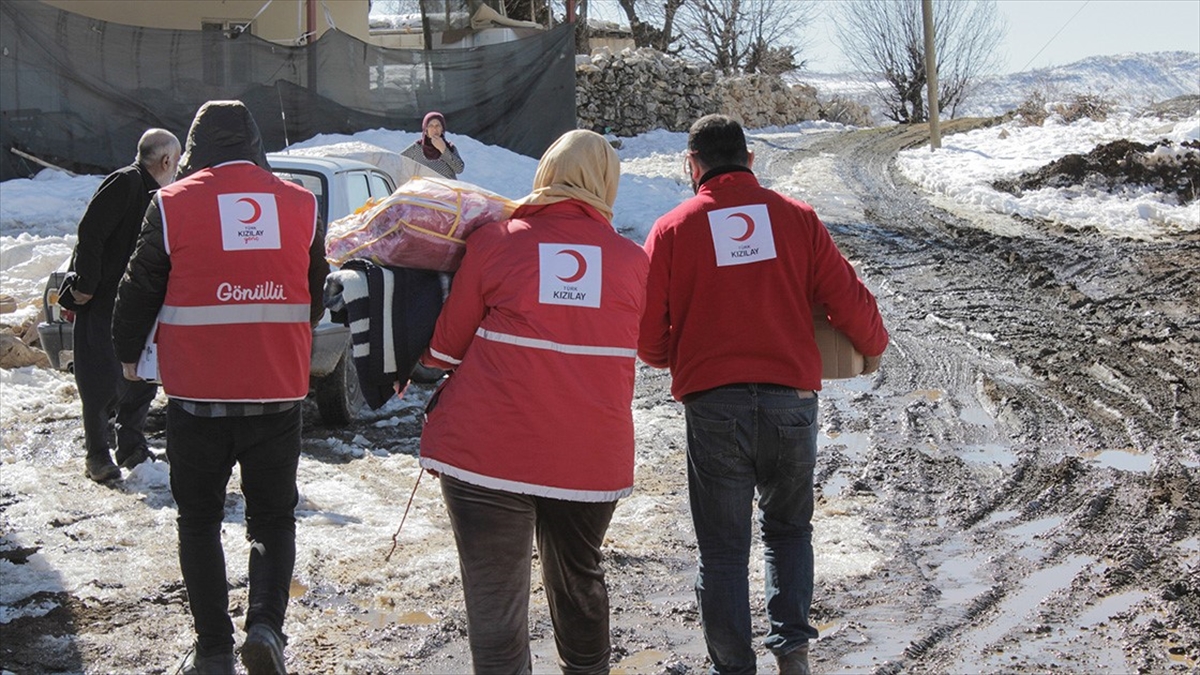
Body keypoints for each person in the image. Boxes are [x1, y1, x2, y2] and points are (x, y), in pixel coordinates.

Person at [637, 114, 889, 675]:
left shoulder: (672, 229)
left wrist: (681, 356)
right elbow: (847, 298)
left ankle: (734, 668)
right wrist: (873, 346)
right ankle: (793, 653)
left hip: (713, 405)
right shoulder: (797, 218)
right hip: (791, 401)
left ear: (692, 165)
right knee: (789, 532)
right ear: (750, 160)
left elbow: (647, 332)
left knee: (723, 551)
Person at [418, 129, 648, 674]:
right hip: (588, 455)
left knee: (494, 597)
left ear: (545, 174)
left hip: (486, 450)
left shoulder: (497, 241)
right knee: (578, 576)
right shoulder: (633, 261)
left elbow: (444, 349)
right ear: (606, 184)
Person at [112, 100, 328, 675]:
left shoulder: (172, 204)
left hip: (197, 395)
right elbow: (315, 291)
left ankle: (212, 649)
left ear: (195, 147)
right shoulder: (301, 204)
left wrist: (129, 354)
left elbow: (139, 287)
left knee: (200, 520)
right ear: (255, 144)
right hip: (277, 390)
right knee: (273, 517)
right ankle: (265, 628)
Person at [69, 128, 180, 482]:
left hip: (142, 302)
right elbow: (91, 232)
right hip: (105, 300)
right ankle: (97, 455)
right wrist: (85, 285)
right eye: (176, 161)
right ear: (166, 160)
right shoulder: (125, 182)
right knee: (101, 380)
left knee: (142, 378)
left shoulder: (162, 195)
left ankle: (132, 446)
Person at [400, 111, 465, 179]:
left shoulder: (450, 148)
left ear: (442, 129)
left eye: (438, 125)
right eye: (431, 126)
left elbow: (459, 169)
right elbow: (397, 161)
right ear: (426, 130)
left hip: (445, 186)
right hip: (425, 185)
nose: (434, 129)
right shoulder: (417, 148)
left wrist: (443, 149)